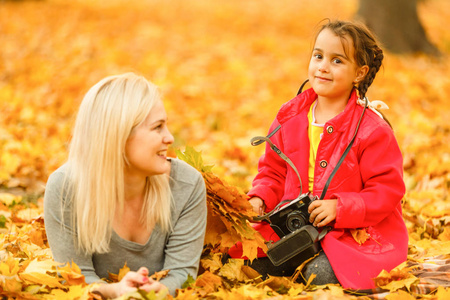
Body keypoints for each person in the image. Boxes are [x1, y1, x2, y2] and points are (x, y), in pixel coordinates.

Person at [228, 20, 408, 290]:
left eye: (337, 61)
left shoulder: (372, 130)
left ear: (359, 73)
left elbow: (387, 190)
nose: (323, 66)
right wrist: (260, 198)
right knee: (245, 267)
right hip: (292, 228)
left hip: (351, 234)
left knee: (319, 274)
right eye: (318, 56)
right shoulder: (290, 118)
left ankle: (313, 264)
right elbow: (273, 172)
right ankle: (294, 262)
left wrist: (341, 207)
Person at [44, 73, 207, 298]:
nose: (169, 138)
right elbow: (75, 277)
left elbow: (182, 273)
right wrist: (114, 291)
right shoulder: (65, 188)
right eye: (157, 127)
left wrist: (161, 290)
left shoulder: (186, 185)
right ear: (118, 135)